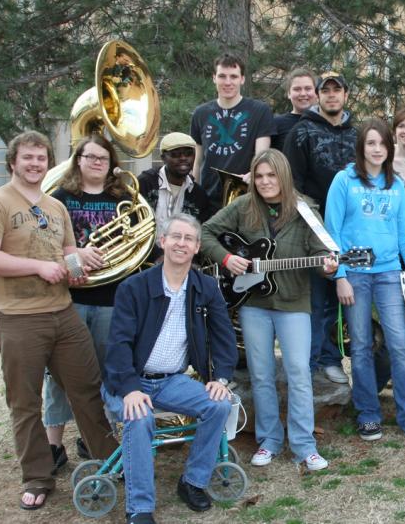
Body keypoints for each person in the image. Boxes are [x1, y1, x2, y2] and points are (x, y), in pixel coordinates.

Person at [0, 131, 116, 511]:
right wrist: (39, 267)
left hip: (63, 314)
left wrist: (77, 266)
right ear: (13, 162)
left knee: (88, 389)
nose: (35, 164)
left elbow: (66, 252)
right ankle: (37, 477)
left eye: (41, 158)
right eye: (28, 158)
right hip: (18, 318)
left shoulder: (55, 207)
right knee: (25, 403)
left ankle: (110, 462)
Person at [201, 149, 338, 471]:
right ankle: (269, 440)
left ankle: (304, 445)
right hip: (254, 305)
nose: (265, 182)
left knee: (299, 374)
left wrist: (329, 267)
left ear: (284, 176)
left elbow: (323, 254)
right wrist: (226, 258)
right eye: (259, 176)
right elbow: (205, 232)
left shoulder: (305, 210)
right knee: (261, 374)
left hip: (293, 305)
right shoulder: (244, 206)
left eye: (271, 175)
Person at [103, 214, 238, 522]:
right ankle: (140, 507)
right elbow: (118, 345)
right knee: (139, 419)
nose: (181, 243)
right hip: (129, 380)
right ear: (162, 241)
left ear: (197, 248)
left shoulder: (206, 287)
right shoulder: (133, 287)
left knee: (219, 404)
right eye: (175, 236)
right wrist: (129, 389)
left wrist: (222, 377)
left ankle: (192, 482)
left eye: (188, 238)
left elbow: (224, 336)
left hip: (170, 381)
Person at [325, 118, 405, 445]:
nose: (377, 149)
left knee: (400, 343)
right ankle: (368, 413)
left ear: (389, 148)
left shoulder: (395, 184)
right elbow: (332, 232)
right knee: (360, 345)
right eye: (371, 143)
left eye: (382, 144)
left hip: (389, 272)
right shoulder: (344, 181)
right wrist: (340, 276)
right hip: (355, 274)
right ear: (361, 146)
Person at [43, 133, 132, 465]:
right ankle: (53, 445)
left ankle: (94, 436)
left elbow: (137, 244)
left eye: (103, 158)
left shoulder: (121, 197)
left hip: (111, 297)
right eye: (90, 156)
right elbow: (44, 245)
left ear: (111, 165)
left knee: (103, 370)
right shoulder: (59, 198)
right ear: (77, 159)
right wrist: (75, 255)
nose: (97, 162)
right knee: (58, 373)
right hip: (67, 297)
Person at [284, 71, 357, 384]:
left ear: (345, 95)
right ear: (317, 95)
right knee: (318, 300)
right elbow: (292, 184)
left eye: (336, 90)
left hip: (353, 228)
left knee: (346, 296)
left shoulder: (359, 134)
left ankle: (334, 359)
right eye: (324, 90)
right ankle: (316, 363)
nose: (331, 95)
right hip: (314, 227)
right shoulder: (301, 133)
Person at [190, 54, 275, 208]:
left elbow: (261, 156)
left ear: (242, 79)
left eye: (233, 77)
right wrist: (195, 194)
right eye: (222, 76)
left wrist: (253, 175)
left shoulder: (260, 111)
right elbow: (197, 162)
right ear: (214, 78)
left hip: (245, 197)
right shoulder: (200, 113)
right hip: (208, 198)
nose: (228, 82)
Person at [137, 132, 213, 261]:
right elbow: (133, 224)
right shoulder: (145, 183)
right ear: (163, 157)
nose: (183, 158)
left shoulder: (199, 194)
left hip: (182, 261)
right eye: (175, 154)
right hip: (144, 260)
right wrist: (157, 256)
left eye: (189, 153)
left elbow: (200, 235)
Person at [271, 68, 318, 153]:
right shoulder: (276, 124)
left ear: (316, 92)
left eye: (308, 88)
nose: (303, 94)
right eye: (297, 89)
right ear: (289, 93)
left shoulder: (325, 123)